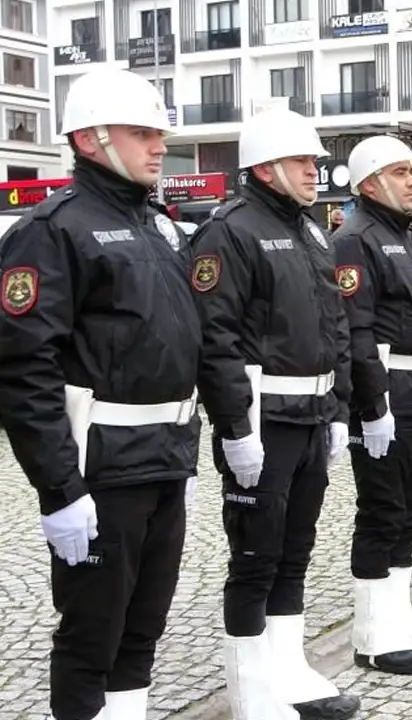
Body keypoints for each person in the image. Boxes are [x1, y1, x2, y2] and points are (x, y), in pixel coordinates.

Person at [0, 67, 198, 720]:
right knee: (92, 637)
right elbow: (24, 371)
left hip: (163, 455)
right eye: (142, 133)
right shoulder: (51, 230)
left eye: (159, 133)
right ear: (89, 140)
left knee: (143, 629)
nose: (159, 146)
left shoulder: (158, 225)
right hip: (102, 468)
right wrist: (59, 490)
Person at [191, 108, 358, 720]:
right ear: (264, 167)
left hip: (312, 415)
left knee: (296, 549)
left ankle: (287, 668)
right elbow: (217, 338)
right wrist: (236, 428)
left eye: (315, 161)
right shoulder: (229, 231)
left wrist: (339, 407)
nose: (315, 172)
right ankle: (248, 691)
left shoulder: (312, 231)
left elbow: (335, 323)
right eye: (302, 162)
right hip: (265, 420)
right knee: (256, 557)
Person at [332, 135, 412, 676]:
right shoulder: (355, 240)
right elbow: (356, 330)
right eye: (401, 172)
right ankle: (372, 632)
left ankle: (398, 613)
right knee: (382, 511)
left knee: (411, 507)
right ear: (370, 182)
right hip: (388, 396)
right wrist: (371, 404)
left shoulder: (411, 238)